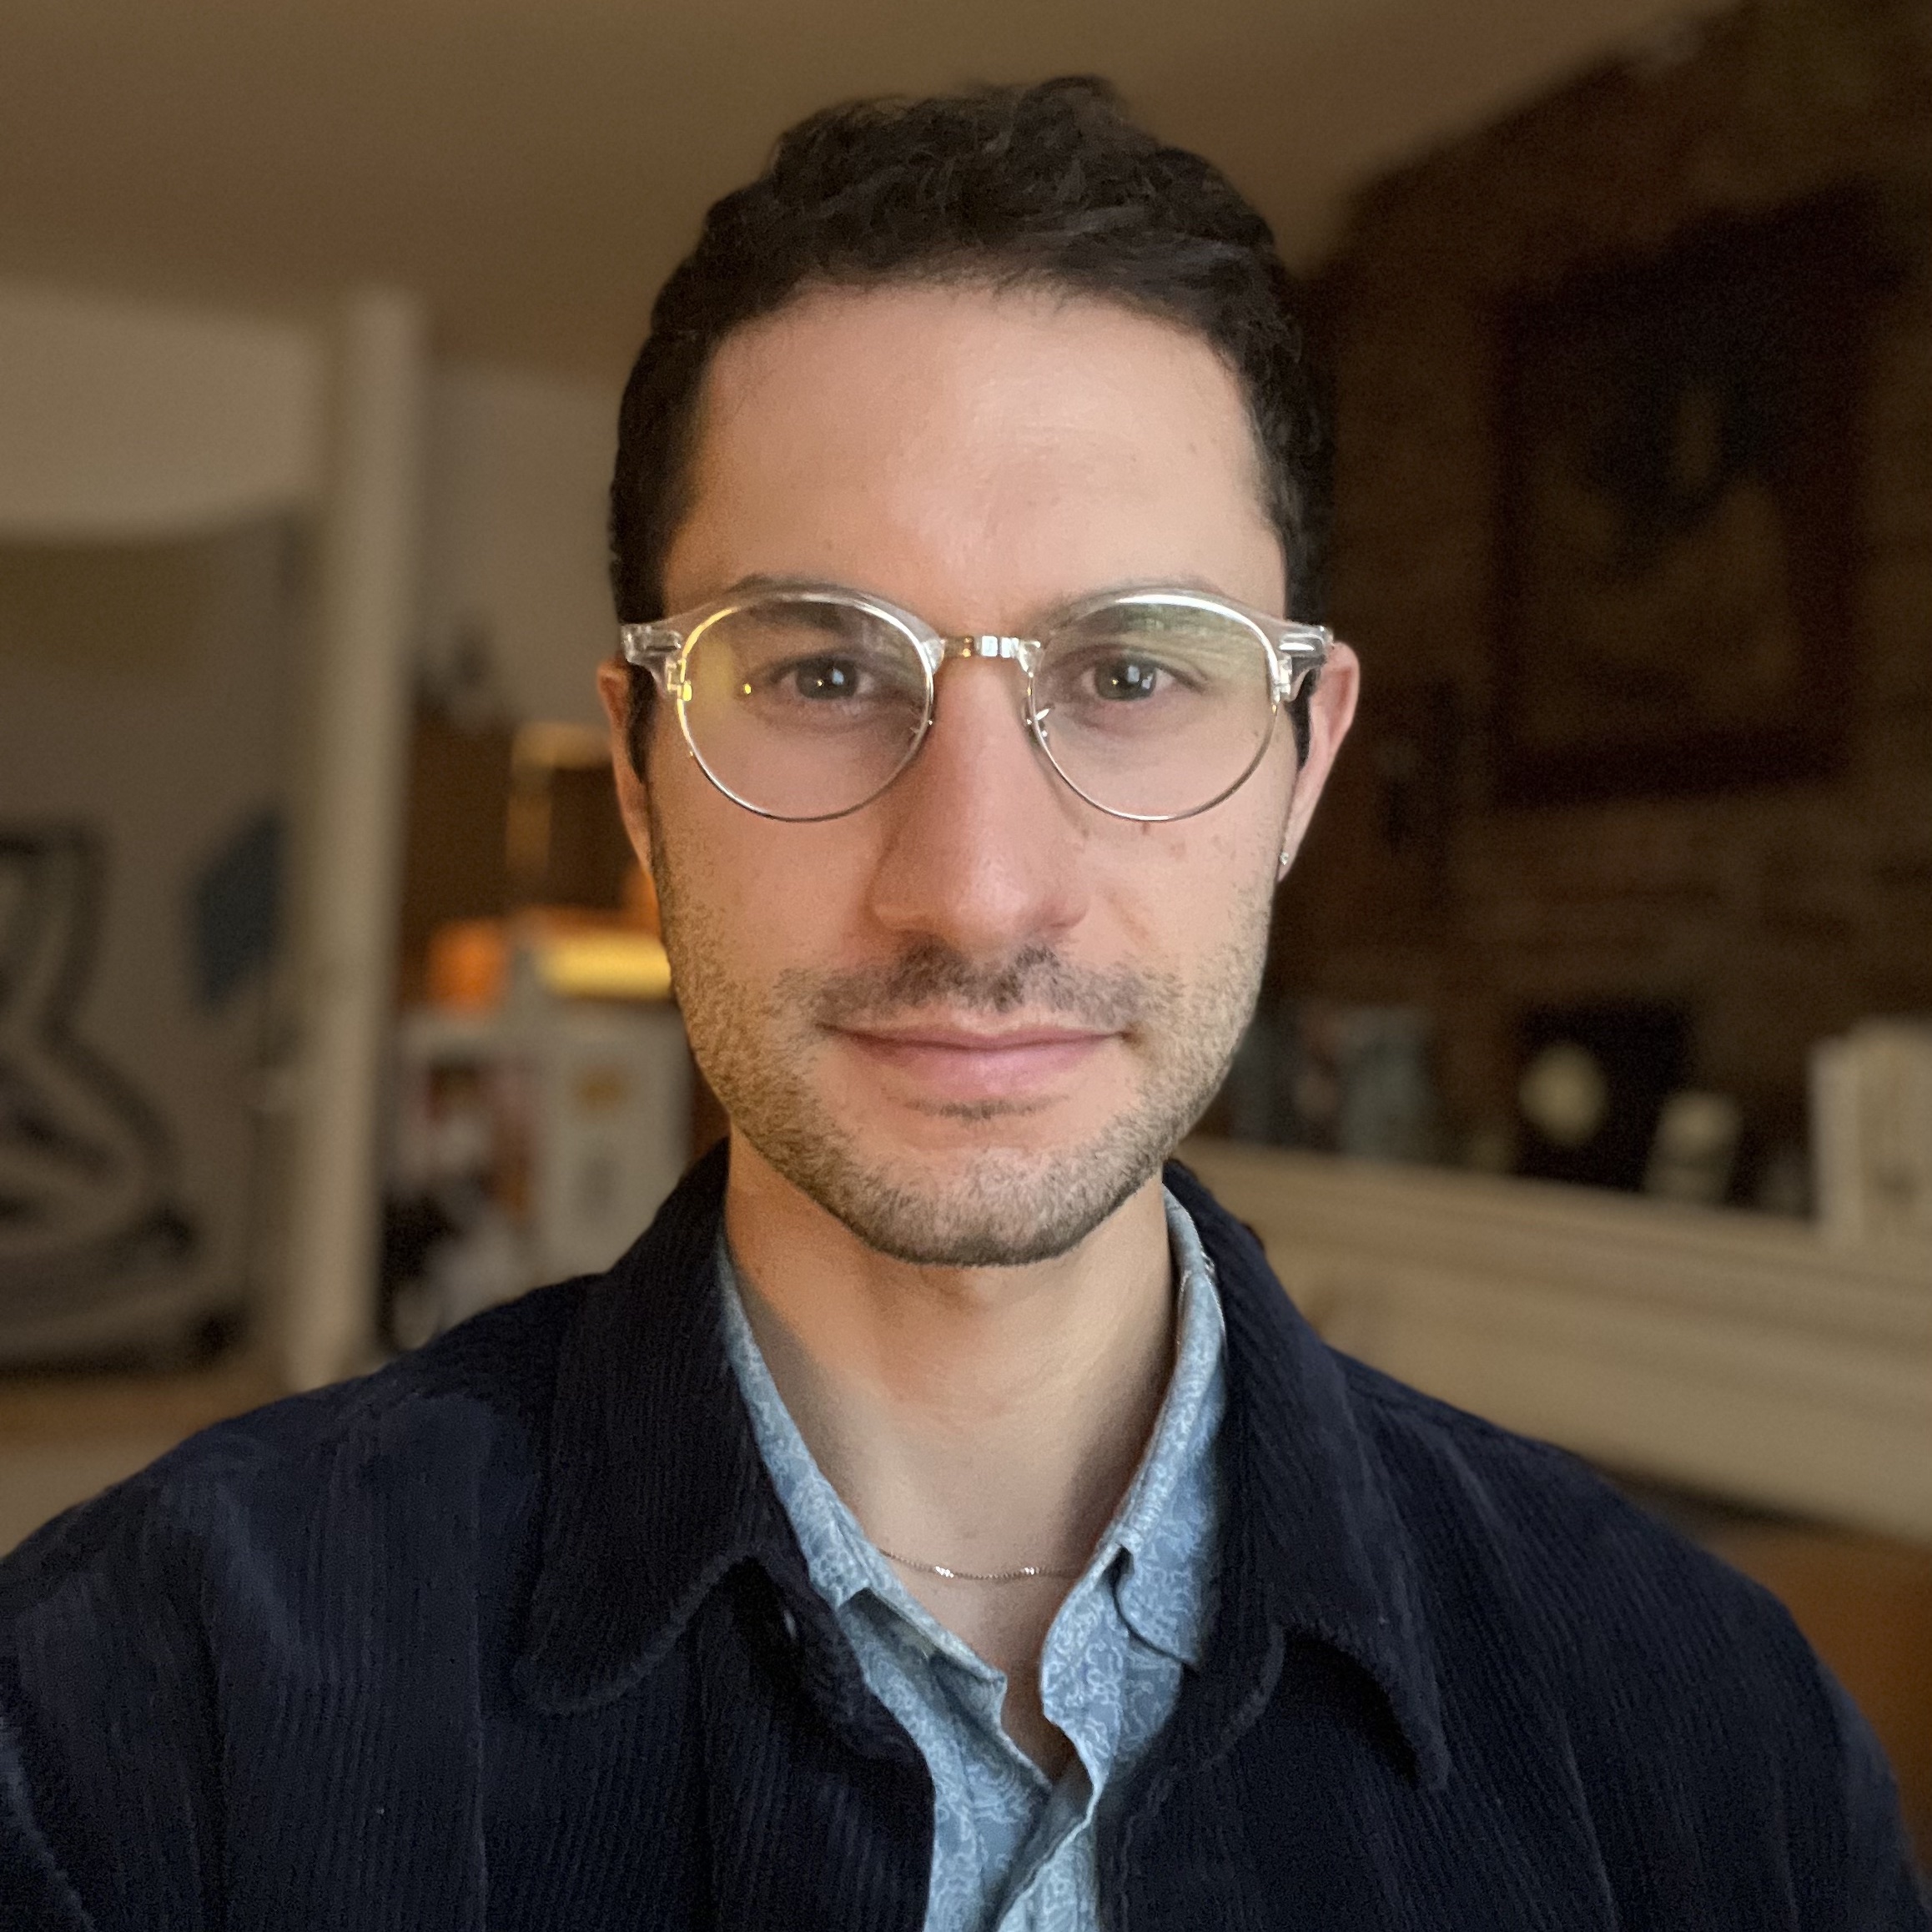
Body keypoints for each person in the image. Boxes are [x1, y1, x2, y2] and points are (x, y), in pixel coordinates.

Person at [1, 78, 1924, 1932]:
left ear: (1304, 764)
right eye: (825, 673)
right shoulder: (143, 1710)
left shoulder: (1700, 1730)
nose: (977, 884)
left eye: (1135, 673)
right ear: (643, 786)